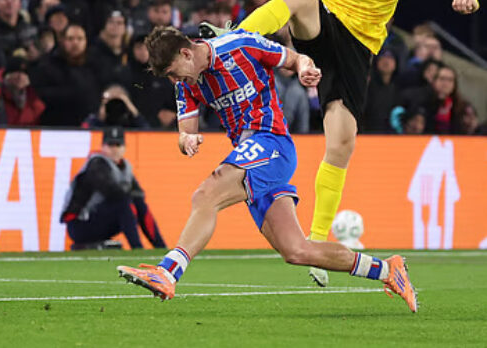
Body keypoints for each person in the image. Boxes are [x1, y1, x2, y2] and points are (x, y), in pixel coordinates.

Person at [189, 0, 479, 287]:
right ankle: (232, 41)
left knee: (341, 142)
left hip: (358, 52)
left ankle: (318, 244)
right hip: (324, 29)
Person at [116, 26, 417, 314]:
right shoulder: (186, 84)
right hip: (249, 156)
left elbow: (295, 58)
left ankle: (168, 273)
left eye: (172, 72)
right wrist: (188, 139)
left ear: (186, 53)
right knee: (297, 251)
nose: (173, 80)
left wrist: (303, 70)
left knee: (205, 195)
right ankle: (388, 270)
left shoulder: (241, 46)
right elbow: (185, 132)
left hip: (272, 142)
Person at [61, 126, 165, 250]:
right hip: (80, 224)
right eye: (110, 145)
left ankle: (161, 248)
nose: (115, 149)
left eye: (118, 145)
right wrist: (129, 194)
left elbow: (138, 195)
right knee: (124, 204)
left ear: (124, 148)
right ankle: (137, 248)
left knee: (139, 204)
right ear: (103, 147)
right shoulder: (96, 164)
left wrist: (134, 197)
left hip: (99, 220)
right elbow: (110, 191)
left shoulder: (125, 167)